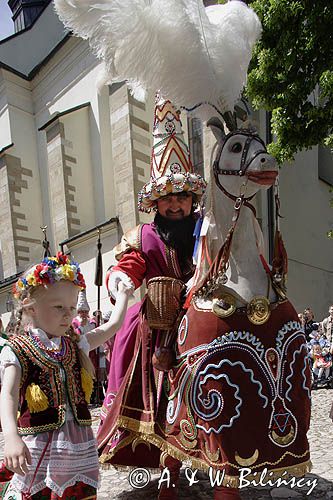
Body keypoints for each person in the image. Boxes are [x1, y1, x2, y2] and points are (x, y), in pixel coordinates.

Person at [97, 98, 206, 477]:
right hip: (156, 326)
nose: (175, 204)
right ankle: (166, 464)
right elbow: (128, 267)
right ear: (156, 203)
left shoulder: (205, 228)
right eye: (168, 198)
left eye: (182, 197)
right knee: (151, 390)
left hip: (199, 313)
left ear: (193, 199)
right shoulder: (143, 235)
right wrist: (121, 280)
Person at [0, 252, 131, 499]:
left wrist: (123, 295)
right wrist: (11, 436)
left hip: (77, 446)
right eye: (59, 307)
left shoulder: (74, 343)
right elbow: (7, 395)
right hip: (39, 446)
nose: (68, 314)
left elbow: (111, 326)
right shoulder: (17, 349)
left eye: (71, 307)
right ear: (31, 305)